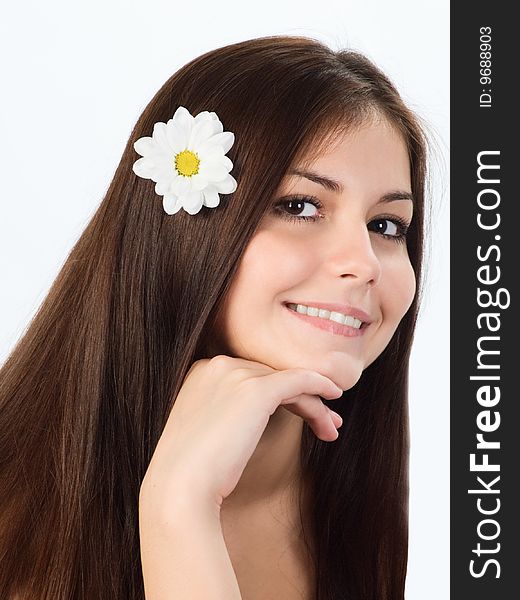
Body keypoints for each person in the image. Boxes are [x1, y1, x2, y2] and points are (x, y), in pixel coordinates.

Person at [0, 35, 429, 599]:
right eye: (300, 206)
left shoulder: (350, 496)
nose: (364, 263)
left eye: (386, 225)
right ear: (187, 230)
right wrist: (180, 509)